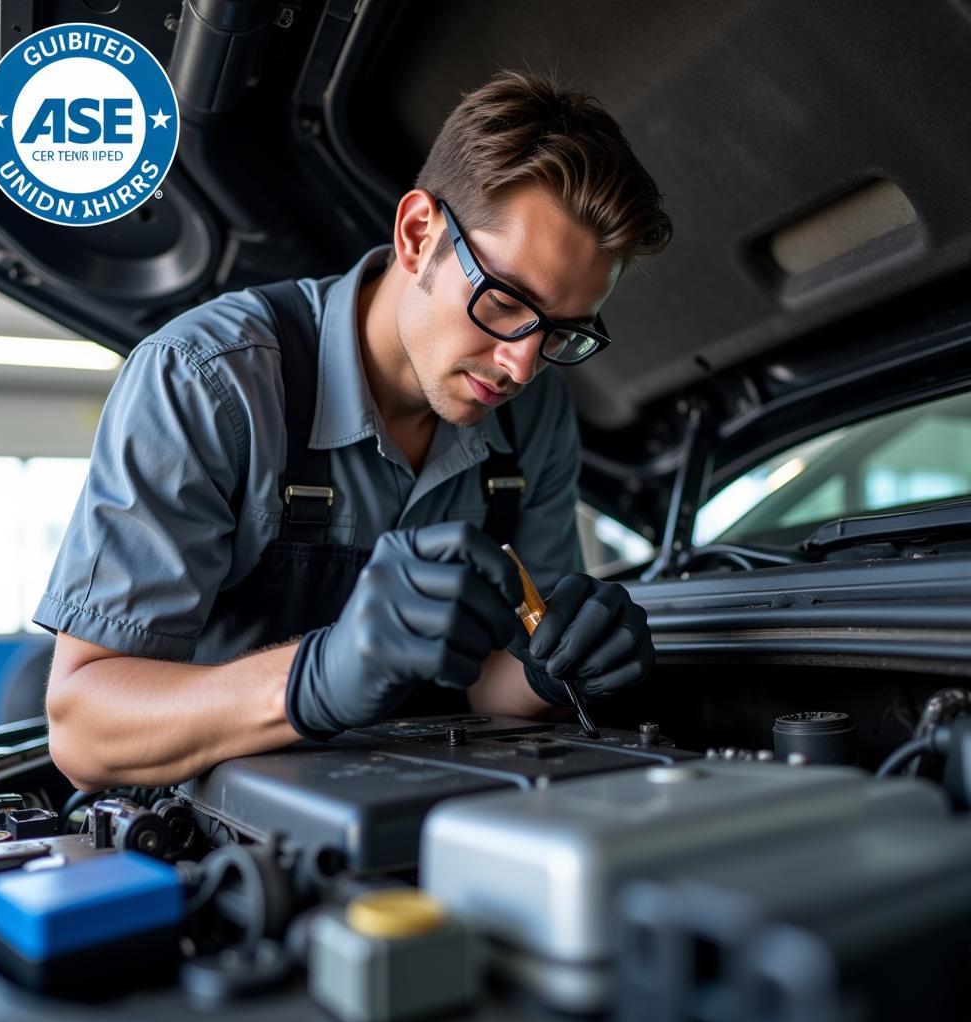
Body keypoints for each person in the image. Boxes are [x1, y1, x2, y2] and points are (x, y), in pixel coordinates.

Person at [38, 70, 672, 791]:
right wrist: (316, 677)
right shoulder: (209, 380)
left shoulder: (535, 415)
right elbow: (83, 727)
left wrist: (551, 673)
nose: (523, 365)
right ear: (416, 234)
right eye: (505, 301)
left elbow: (487, 688)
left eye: (564, 331)